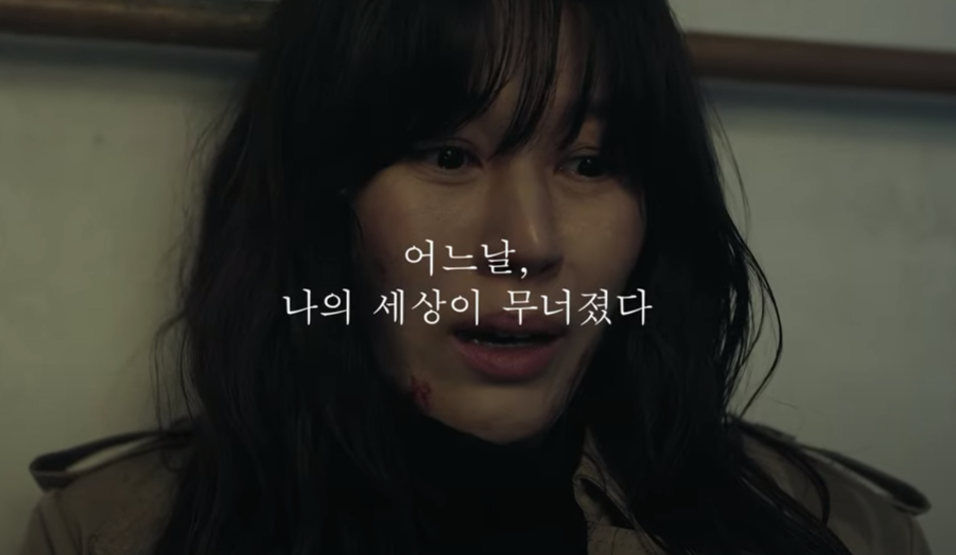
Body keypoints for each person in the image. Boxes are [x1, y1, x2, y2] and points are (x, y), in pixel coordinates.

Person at [17, 0, 933, 554]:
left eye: (590, 163)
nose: (527, 242)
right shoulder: (109, 534)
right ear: (321, 196)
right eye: (449, 156)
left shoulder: (846, 535)